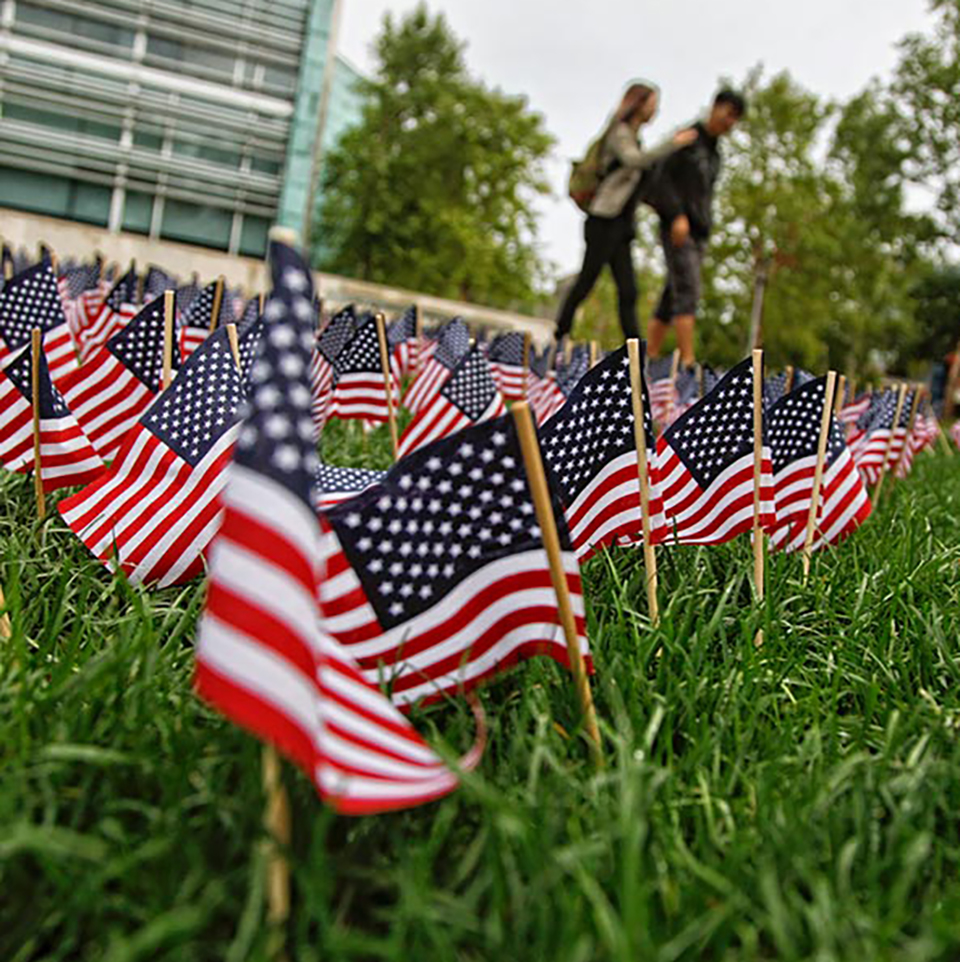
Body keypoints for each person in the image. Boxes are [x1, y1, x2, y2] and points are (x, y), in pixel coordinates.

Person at [555, 83, 697, 345]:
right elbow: (636, 160)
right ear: (638, 104)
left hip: (621, 223)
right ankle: (561, 332)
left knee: (628, 290)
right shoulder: (620, 134)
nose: (655, 110)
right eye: (652, 104)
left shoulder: (635, 137)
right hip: (603, 219)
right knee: (587, 280)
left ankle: (635, 348)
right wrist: (672, 144)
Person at [644, 89, 747, 368]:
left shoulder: (716, 154)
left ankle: (648, 354)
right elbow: (658, 179)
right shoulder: (687, 139)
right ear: (715, 107)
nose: (729, 122)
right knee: (688, 288)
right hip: (678, 226)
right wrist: (676, 214)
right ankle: (687, 361)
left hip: (700, 229)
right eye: (728, 113)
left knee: (673, 292)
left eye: (735, 119)